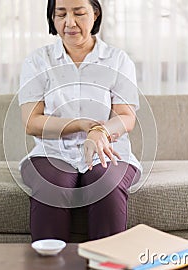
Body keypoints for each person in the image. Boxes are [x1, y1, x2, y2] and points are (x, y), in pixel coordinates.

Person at [18, 0, 142, 242]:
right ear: (52, 18)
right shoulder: (38, 61)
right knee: (53, 185)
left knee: (104, 184)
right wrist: (84, 125)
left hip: (109, 152)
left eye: (79, 13)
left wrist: (101, 132)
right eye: (61, 14)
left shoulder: (117, 60)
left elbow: (126, 117)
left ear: (95, 14)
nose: (69, 22)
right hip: (51, 152)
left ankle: (108, 264)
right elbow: (31, 122)